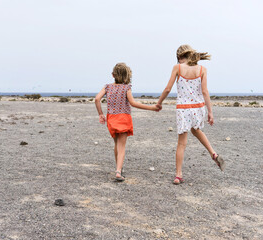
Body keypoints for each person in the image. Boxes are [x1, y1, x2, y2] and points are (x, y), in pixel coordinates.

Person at [156, 44, 225, 185]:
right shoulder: (202, 69)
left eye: (178, 58)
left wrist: (159, 102)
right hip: (198, 107)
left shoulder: (178, 68)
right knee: (196, 130)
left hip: (183, 108)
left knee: (181, 143)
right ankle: (213, 153)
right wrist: (210, 112)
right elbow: (205, 92)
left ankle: (178, 175)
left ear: (180, 57)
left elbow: (168, 88)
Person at [95, 63, 159, 182]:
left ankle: (118, 167)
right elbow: (133, 103)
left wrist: (100, 114)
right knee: (122, 146)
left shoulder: (107, 87)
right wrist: (152, 108)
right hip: (123, 118)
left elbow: (97, 99)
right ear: (127, 76)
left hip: (112, 118)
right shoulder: (126, 88)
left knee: (116, 144)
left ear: (113, 75)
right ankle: (118, 171)